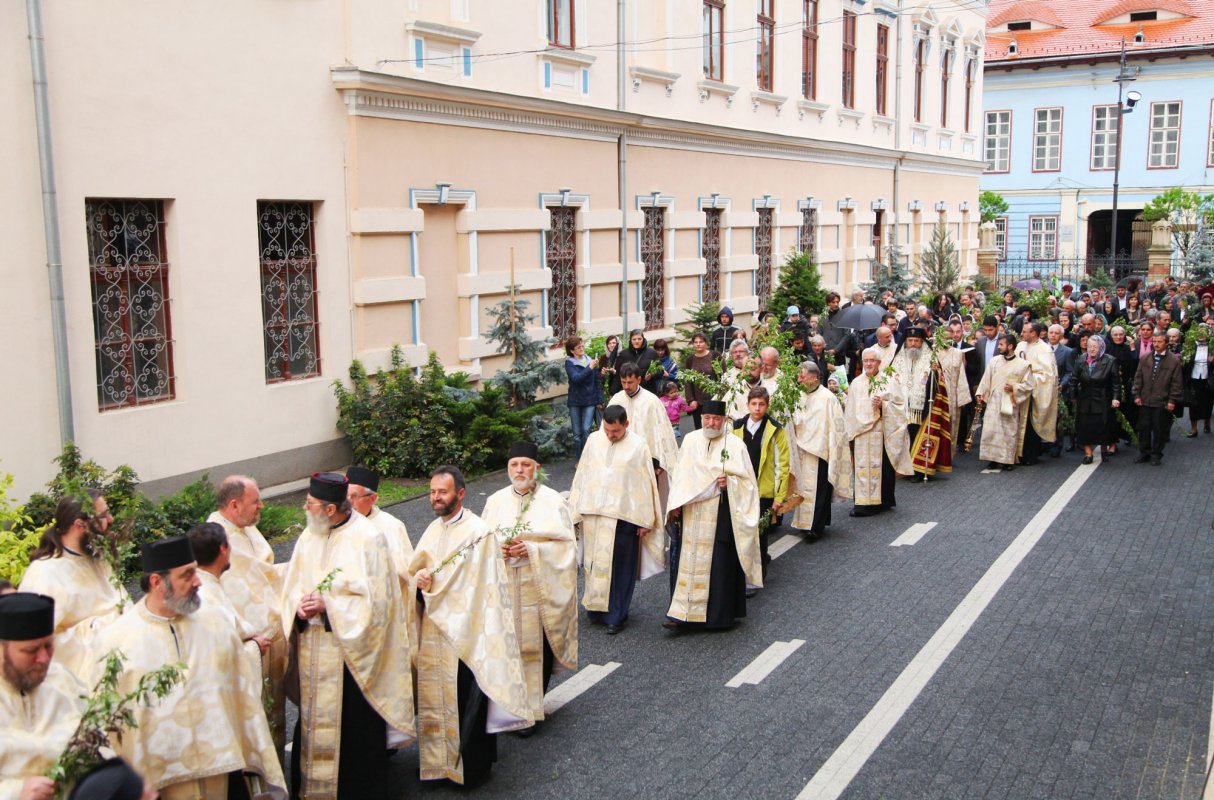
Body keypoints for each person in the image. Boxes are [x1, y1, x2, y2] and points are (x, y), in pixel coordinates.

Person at [97, 536, 285, 799]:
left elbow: (242, 694)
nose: (198, 581)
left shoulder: (216, 622)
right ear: (156, 582)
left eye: (196, 571)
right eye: (187, 575)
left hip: (224, 771)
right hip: (159, 785)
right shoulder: (116, 642)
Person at [280, 472, 415, 797]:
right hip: (314, 653)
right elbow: (291, 585)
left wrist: (330, 605)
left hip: (351, 660)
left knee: (354, 732)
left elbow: (381, 605)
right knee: (312, 725)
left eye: (310, 504)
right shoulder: (309, 537)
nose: (304, 508)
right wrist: (297, 607)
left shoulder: (369, 538)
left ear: (329, 509)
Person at [408, 466, 531, 784]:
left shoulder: (479, 532)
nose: (436, 498)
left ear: (460, 494)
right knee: (435, 698)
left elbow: (482, 588)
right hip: (434, 632)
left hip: (467, 634)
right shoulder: (433, 530)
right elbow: (417, 570)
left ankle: (471, 769)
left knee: (466, 700)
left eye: (442, 492)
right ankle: (438, 766)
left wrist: (435, 588)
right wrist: (417, 581)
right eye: (433, 492)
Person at [480, 443, 578, 733]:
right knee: (507, 647)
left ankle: (532, 709)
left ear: (537, 468)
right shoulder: (495, 501)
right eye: (514, 465)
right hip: (506, 587)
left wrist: (532, 550)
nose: (519, 470)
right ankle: (508, 706)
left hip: (538, 588)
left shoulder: (552, 501)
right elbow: (482, 543)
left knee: (534, 648)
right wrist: (500, 550)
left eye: (525, 464)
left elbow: (566, 547)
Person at [204, 475, 287, 751]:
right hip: (250, 641)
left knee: (273, 708)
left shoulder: (245, 527)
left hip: (268, 636)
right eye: (255, 501)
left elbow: (265, 571)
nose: (261, 506)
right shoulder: (219, 537)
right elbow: (243, 589)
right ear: (234, 505)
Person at [663, 401, 761, 632]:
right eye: (707, 418)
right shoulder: (690, 440)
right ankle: (682, 615)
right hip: (691, 513)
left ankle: (718, 617)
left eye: (715, 419)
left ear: (724, 420)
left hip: (721, 513)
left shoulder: (734, 445)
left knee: (719, 566)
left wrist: (731, 484)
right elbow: (680, 476)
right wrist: (675, 504)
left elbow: (748, 483)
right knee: (686, 563)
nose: (710, 423)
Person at [566, 406, 663, 634]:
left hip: (625, 516)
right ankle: (597, 609)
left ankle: (616, 615)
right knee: (594, 563)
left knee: (621, 567)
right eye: (608, 430)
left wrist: (644, 520)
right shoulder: (593, 440)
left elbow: (645, 482)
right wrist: (576, 508)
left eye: (616, 431)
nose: (611, 435)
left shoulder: (638, 446)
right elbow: (583, 475)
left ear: (626, 425)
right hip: (594, 513)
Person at [18, 490, 126, 680]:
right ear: (80, 525)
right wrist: (97, 627)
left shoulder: (98, 559)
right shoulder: (45, 574)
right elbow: (32, 643)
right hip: (83, 681)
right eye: (103, 515)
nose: (111, 519)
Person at [0, 592, 86, 800]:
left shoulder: (64, 681)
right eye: (31, 650)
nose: (44, 658)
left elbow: (99, 744)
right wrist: (15, 793)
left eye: (48, 646)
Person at [730, 388, 790, 585]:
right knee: (742, 531)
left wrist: (779, 497)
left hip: (764, 490)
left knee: (761, 533)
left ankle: (757, 576)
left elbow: (782, 465)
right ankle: (741, 573)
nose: (757, 408)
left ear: (767, 405)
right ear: (747, 404)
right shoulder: (737, 427)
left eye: (761, 404)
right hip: (741, 489)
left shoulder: (775, 429)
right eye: (754, 404)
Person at [788, 362, 853, 542]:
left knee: (819, 490)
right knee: (803, 488)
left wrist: (832, 448)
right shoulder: (797, 395)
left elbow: (837, 427)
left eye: (802, 376)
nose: (799, 379)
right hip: (801, 449)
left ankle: (815, 527)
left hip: (821, 450)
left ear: (814, 377)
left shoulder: (827, 398)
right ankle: (804, 523)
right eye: (798, 376)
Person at [844, 348, 913, 516]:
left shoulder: (888, 382)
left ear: (879, 363)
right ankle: (862, 503)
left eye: (872, 361)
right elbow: (850, 411)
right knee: (861, 468)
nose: (868, 363)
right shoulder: (855, 383)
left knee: (882, 468)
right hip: (861, 435)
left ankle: (883, 501)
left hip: (881, 433)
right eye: (865, 360)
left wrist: (883, 405)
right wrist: (850, 434)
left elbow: (900, 408)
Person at [607, 362, 679, 504]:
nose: (627, 386)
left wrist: (658, 464)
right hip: (621, 462)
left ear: (639, 380)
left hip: (647, 462)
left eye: (630, 382)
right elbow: (606, 430)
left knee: (647, 502)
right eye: (623, 382)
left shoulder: (651, 401)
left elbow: (662, 433)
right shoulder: (616, 400)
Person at [346, 465, 414, 593]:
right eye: (345, 496)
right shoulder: (335, 524)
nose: (348, 503)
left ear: (372, 498)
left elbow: (406, 570)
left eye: (354, 496)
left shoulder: (391, 525)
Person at [975, 334, 1034, 471]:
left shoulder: (1023, 365)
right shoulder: (994, 361)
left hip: (1009, 402)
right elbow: (986, 379)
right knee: (991, 430)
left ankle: (1008, 460)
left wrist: (1014, 387)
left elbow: (1029, 385)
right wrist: (981, 393)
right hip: (993, 401)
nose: (999, 347)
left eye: (1001, 344)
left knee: (1008, 431)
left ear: (1010, 346)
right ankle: (992, 459)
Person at [1132, 332, 1184, 466]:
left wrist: (1172, 400)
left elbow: (1176, 383)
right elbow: (1138, 378)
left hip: (1162, 401)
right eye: (1154, 341)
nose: (1156, 344)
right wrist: (1137, 394)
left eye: (1159, 342)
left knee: (1159, 429)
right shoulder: (1145, 358)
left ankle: (1156, 454)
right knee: (1143, 428)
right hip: (1145, 399)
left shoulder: (1173, 360)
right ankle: (1144, 452)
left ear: (1166, 343)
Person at [1070, 335, 1121, 464]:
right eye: (1089, 347)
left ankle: (1104, 450)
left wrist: (1115, 398)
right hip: (1085, 398)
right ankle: (1088, 454)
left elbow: (1116, 382)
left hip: (1103, 397)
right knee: (1085, 427)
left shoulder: (1110, 360)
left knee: (1102, 426)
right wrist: (1073, 396)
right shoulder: (1081, 360)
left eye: (1095, 347)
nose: (1092, 349)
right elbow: (1074, 379)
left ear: (1101, 348)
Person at [1014, 322, 1059, 466]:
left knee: (1030, 427)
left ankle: (1030, 455)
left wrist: (1028, 380)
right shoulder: (1020, 346)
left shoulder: (1044, 350)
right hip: (1019, 392)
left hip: (1034, 393)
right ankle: (1017, 454)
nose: (1022, 334)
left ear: (1033, 333)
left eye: (1025, 331)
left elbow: (1048, 375)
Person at [564, 336, 601, 460]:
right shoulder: (569, 363)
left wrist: (599, 399)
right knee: (577, 434)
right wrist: (590, 367)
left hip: (589, 400)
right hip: (575, 401)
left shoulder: (590, 360)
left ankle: (587, 458)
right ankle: (579, 459)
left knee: (586, 430)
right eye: (578, 347)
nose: (581, 348)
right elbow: (576, 378)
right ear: (572, 350)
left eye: (582, 346)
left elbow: (597, 381)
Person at [1048, 323, 1078, 457]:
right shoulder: (1041, 348)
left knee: (1057, 419)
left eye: (1056, 333)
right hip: (1043, 389)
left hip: (1058, 389)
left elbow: (1069, 371)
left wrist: (1063, 384)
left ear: (1061, 336)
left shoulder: (1067, 352)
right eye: (1051, 333)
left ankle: (1056, 445)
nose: (1053, 335)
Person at [681, 332, 717, 430]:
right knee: (700, 429)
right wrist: (691, 400)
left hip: (714, 399)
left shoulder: (714, 355)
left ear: (706, 343)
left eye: (701, 341)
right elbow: (687, 382)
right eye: (695, 342)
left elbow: (723, 375)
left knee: (715, 427)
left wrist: (721, 395)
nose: (698, 344)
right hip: (698, 402)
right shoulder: (690, 360)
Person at [1183, 324, 1213, 436]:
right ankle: (1194, 428)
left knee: (1207, 403)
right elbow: (1185, 362)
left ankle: (1207, 422)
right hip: (1194, 379)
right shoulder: (1190, 345)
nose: (1201, 335)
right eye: (1199, 332)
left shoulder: (1212, 346)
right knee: (1193, 403)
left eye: (1204, 333)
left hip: (1207, 379)